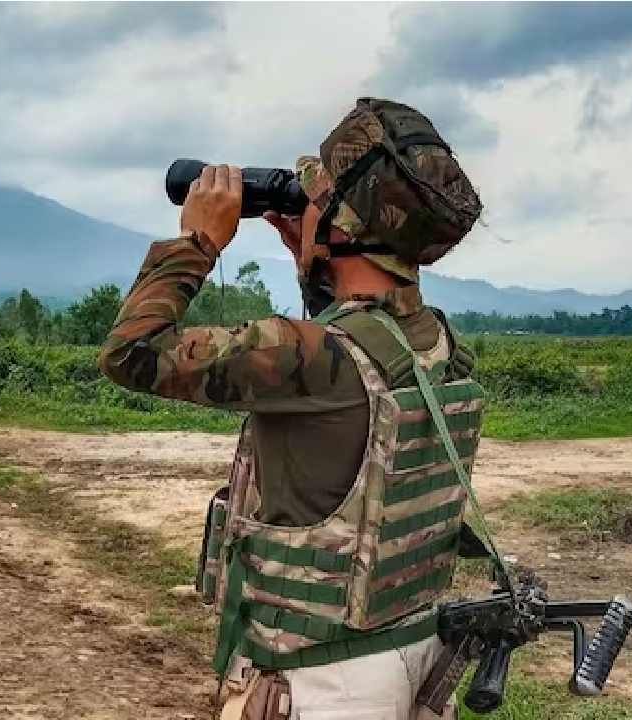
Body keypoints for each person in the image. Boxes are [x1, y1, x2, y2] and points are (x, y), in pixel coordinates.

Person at [100, 98, 486, 720]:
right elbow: (352, 361)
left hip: (322, 678)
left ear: (343, 222)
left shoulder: (305, 354)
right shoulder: (437, 343)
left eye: (316, 197)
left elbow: (131, 352)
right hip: (410, 648)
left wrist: (197, 239)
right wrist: (315, 259)